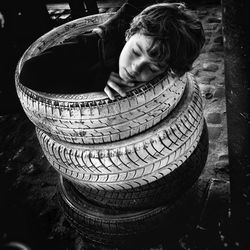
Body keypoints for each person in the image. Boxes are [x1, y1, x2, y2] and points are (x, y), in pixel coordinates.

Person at [19, 0, 205, 100]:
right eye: (136, 52)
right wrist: (96, 79)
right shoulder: (89, 46)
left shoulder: (144, 40)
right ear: (129, 34)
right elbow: (29, 73)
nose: (134, 69)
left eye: (153, 69)